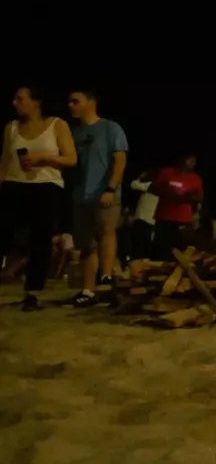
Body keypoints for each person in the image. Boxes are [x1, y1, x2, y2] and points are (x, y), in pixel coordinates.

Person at [0, 87, 77, 311]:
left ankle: (32, 294)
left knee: (40, 242)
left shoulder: (57, 124)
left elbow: (71, 159)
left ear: (37, 102)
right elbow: (5, 161)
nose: (15, 103)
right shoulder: (11, 128)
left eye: (20, 99)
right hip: (14, 185)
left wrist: (43, 157)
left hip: (46, 186)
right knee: (4, 234)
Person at [65, 89, 128, 306]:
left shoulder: (111, 128)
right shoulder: (75, 133)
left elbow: (120, 160)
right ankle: (87, 290)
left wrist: (110, 188)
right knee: (86, 244)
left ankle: (107, 280)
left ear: (90, 102)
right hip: (82, 195)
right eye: (70, 102)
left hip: (105, 193)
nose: (71, 105)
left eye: (76, 101)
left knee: (107, 232)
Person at [150, 154, 203, 260]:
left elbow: (200, 197)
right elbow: (153, 189)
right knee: (161, 250)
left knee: (181, 251)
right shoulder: (166, 173)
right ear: (182, 160)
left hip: (184, 220)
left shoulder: (195, 178)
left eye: (194, 161)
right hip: (164, 218)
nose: (192, 163)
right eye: (190, 159)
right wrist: (168, 192)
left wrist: (187, 197)